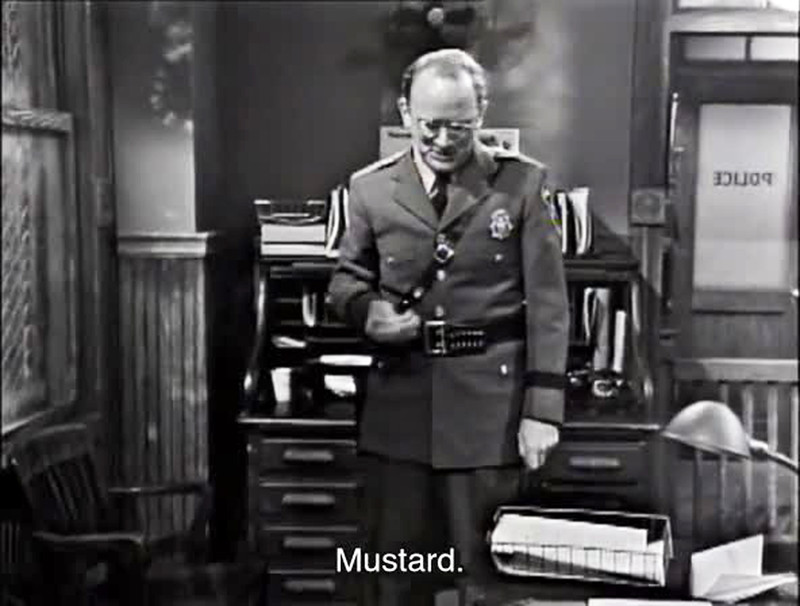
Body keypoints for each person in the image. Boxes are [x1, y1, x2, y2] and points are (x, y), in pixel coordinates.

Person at [327, 48, 569, 604]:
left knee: (488, 581)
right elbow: (345, 282)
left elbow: (549, 304)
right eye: (430, 124)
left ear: (481, 113)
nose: (441, 139)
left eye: (458, 126)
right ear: (406, 113)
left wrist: (542, 411)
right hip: (400, 411)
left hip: (489, 413)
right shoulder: (369, 189)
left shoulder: (521, 185)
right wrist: (366, 312)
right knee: (396, 576)